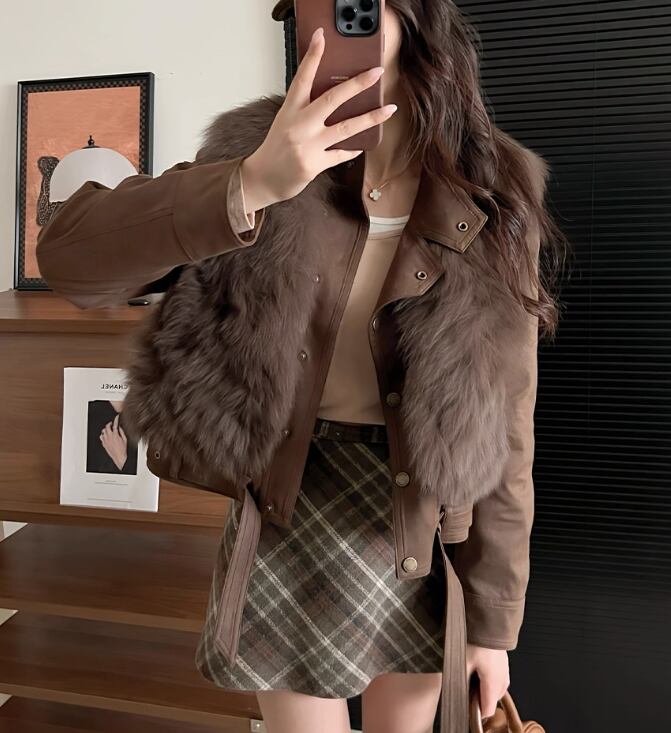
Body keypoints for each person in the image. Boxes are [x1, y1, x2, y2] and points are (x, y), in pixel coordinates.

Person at [36, 2, 567, 732]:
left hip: (417, 522)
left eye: (357, 7)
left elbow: (506, 424)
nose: (332, 23)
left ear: (414, 16)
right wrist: (251, 181)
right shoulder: (257, 147)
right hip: (290, 507)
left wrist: (493, 626)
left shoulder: (493, 183)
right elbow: (70, 263)